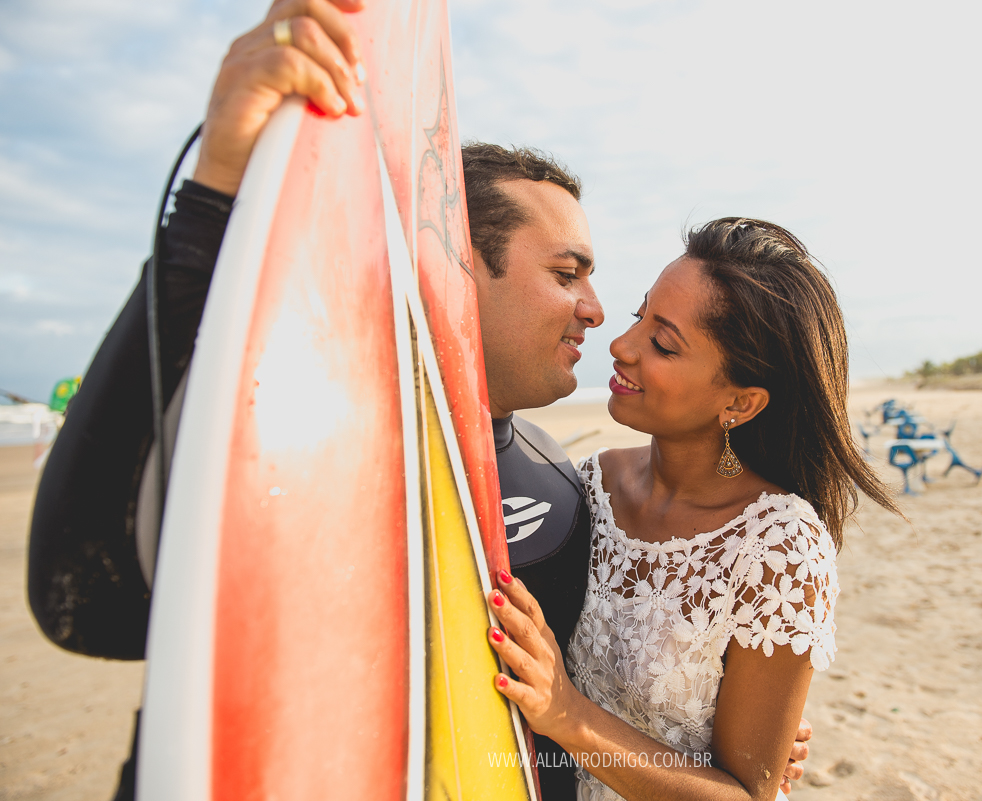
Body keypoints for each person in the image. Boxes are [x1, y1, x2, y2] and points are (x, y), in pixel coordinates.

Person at [25, 1, 811, 797]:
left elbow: (561, 712)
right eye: (567, 273)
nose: (600, 312)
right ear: (451, 269)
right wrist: (214, 188)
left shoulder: (564, 491)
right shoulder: (307, 446)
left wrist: (733, 736)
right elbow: (86, 604)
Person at [484, 218, 902, 800]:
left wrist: (567, 714)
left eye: (662, 343)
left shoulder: (779, 547)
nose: (621, 346)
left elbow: (745, 793)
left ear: (739, 401)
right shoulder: (584, 484)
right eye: (639, 315)